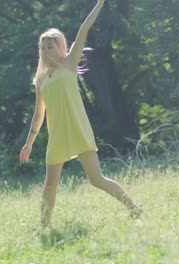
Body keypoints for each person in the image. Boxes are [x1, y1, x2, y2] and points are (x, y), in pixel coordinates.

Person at [19, 0, 141, 228]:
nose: (46, 51)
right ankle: (43, 228)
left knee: (97, 180)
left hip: (78, 130)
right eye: (43, 48)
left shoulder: (70, 64)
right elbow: (38, 114)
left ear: (60, 47)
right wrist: (29, 143)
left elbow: (84, 29)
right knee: (49, 185)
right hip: (57, 137)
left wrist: (99, 4)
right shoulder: (41, 80)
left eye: (50, 46)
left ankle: (134, 208)